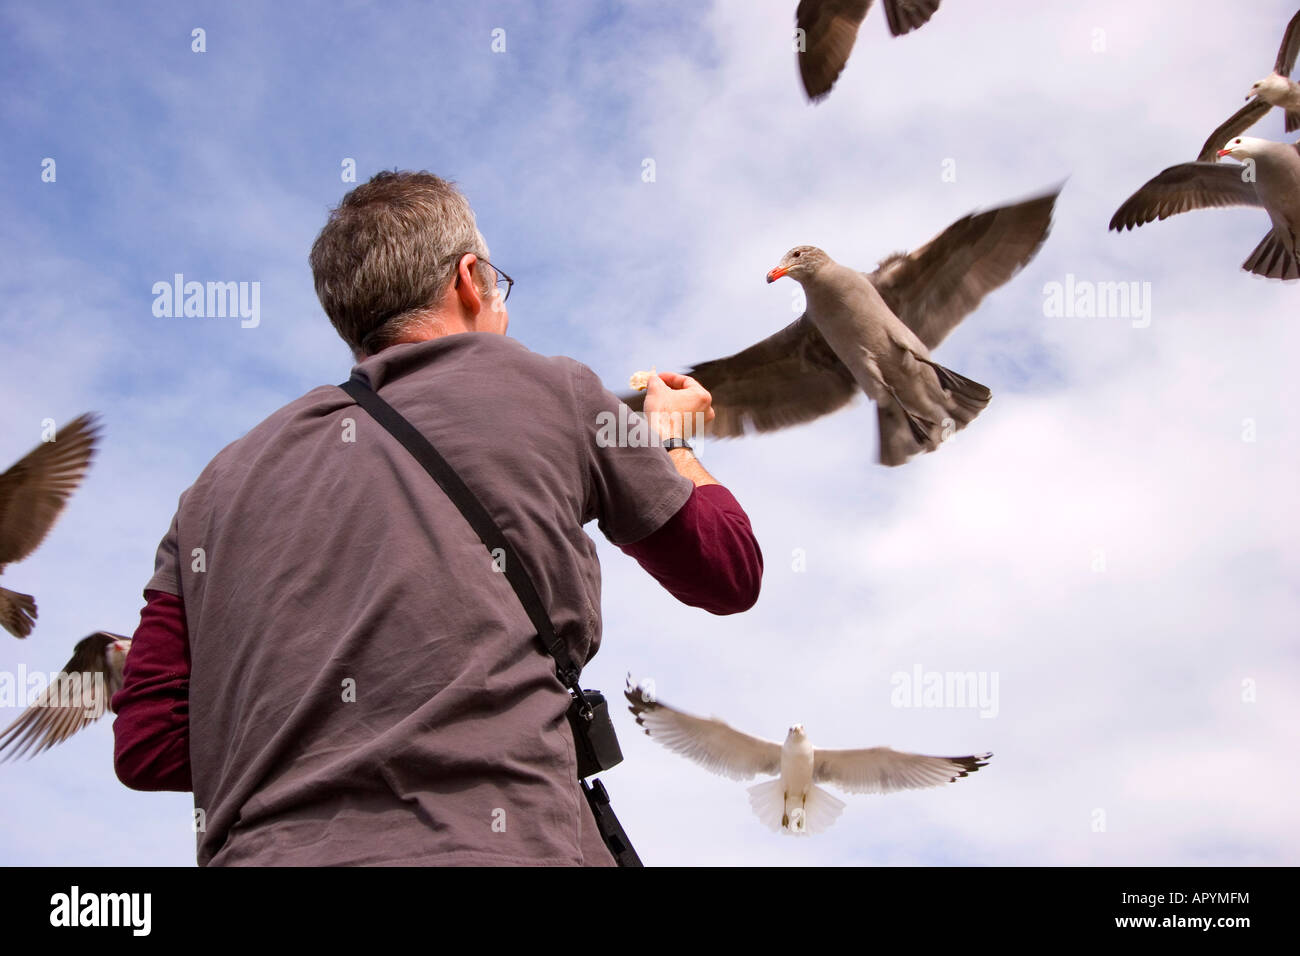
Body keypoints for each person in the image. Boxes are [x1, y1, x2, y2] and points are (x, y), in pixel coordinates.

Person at [112, 170, 763, 866]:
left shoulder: (213, 491)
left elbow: (148, 743)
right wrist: (670, 441)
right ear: (468, 278)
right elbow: (727, 569)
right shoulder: (556, 390)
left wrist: (317, 727)